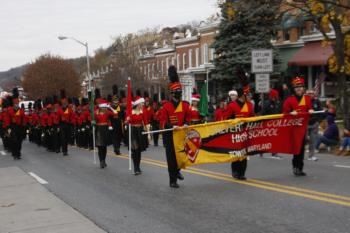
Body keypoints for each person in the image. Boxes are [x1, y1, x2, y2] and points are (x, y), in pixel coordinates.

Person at [160, 65, 191, 188]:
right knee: (171, 158)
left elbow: (188, 118)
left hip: (181, 134)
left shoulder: (185, 105)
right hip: (170, 135)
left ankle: (177, 170)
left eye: (180, 92)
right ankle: (172, 180)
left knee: (181, 156)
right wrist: (171, 126)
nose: (179, 94)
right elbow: (162, 122)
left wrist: (186, 124)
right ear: (172, 93)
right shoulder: (166, 106)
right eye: (177, 92)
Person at [283, 76, 313, 176]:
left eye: (300, 86)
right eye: (297, 87)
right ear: (294, 89)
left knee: (301, 148)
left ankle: (299, 168)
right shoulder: (289, 100)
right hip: (293, 128)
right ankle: (295, 167)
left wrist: (311, 111)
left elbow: (310, 111)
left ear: (303, 88)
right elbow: (284, 113)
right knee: (296, 148)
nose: (299, 88)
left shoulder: (307, 99)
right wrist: (291, 113)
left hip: (303, 128)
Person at [225, 86, 255, 180]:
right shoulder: (232, 105)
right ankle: (235, 171)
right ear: (242, 95)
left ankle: (242, 173)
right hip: (235, 133)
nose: (249, 96)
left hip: (246, 133)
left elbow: (253, 117)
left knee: (244, 154)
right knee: (236, 153)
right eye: (247, 94)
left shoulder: (250, 105)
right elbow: (227, 119)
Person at [127, 96, 147, 175]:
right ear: (138, 104)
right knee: (135, 149)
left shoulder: (143, 111)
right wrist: (128, 119)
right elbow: (126, 121)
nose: (143, 104)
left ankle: (138, 166)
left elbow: (145, 122)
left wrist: (148, 133)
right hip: (133, 131)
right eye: (142, 103)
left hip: (140, 131)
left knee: (138, 150)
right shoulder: (130, 111)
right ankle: (135, 168)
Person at [260, 89, 282, 158]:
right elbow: (263, 114)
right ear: (272, 96)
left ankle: (274, 153)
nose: (276, 98)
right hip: (268, 124)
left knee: (275, 139)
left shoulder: (277, 103)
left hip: (276, 124)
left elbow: (280, 112)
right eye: (275, 96)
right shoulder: (267, 103)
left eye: (276, 96)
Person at [94, 98, 113, 168]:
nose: (104, 108)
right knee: (100, 146)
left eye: (105, 107)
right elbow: (92, 119)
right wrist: (93, 122)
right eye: (103, 107)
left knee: (104, 146)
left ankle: (104, 160)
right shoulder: (96, 112)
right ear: (100, 107)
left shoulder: (107, 112)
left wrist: (110, 107)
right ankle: (101, 161)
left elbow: (115, 113)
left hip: (105, 129)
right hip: (99, 129)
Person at [306, 89, 323, 161]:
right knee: (303, 139)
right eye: (309, 94)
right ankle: (299, 154)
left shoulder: (317, 101)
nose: (310, 95)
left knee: (313, 140)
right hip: (305, 124)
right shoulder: (303, 102)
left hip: (314, 123)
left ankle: (311, 156)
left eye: (312, 93)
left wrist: (318, 121)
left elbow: (320, 111)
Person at [110, 85, 123, 155]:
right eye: (115, 100)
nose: (116, 101)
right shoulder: (111, 107)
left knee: (119, 137)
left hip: (119, 123)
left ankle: (118, 147)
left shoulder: (120, 107)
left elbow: (122, 115)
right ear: (113, 100)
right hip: (113, 124)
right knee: (114, 137)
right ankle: (116, 148)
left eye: (117, 100)